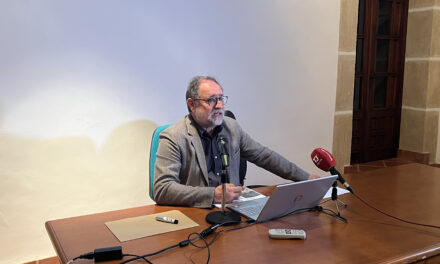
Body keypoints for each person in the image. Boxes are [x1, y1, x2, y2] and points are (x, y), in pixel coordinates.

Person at [153, 76, 320, 208]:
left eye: (221, 98)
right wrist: (212, 195)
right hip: (197, 212)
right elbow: (162, 189)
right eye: (211, 100)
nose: (219, 105)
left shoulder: (231, 127)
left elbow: (264, 156)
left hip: (234, 208)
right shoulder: (173, 137)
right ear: (192, 104)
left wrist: (305, 178)